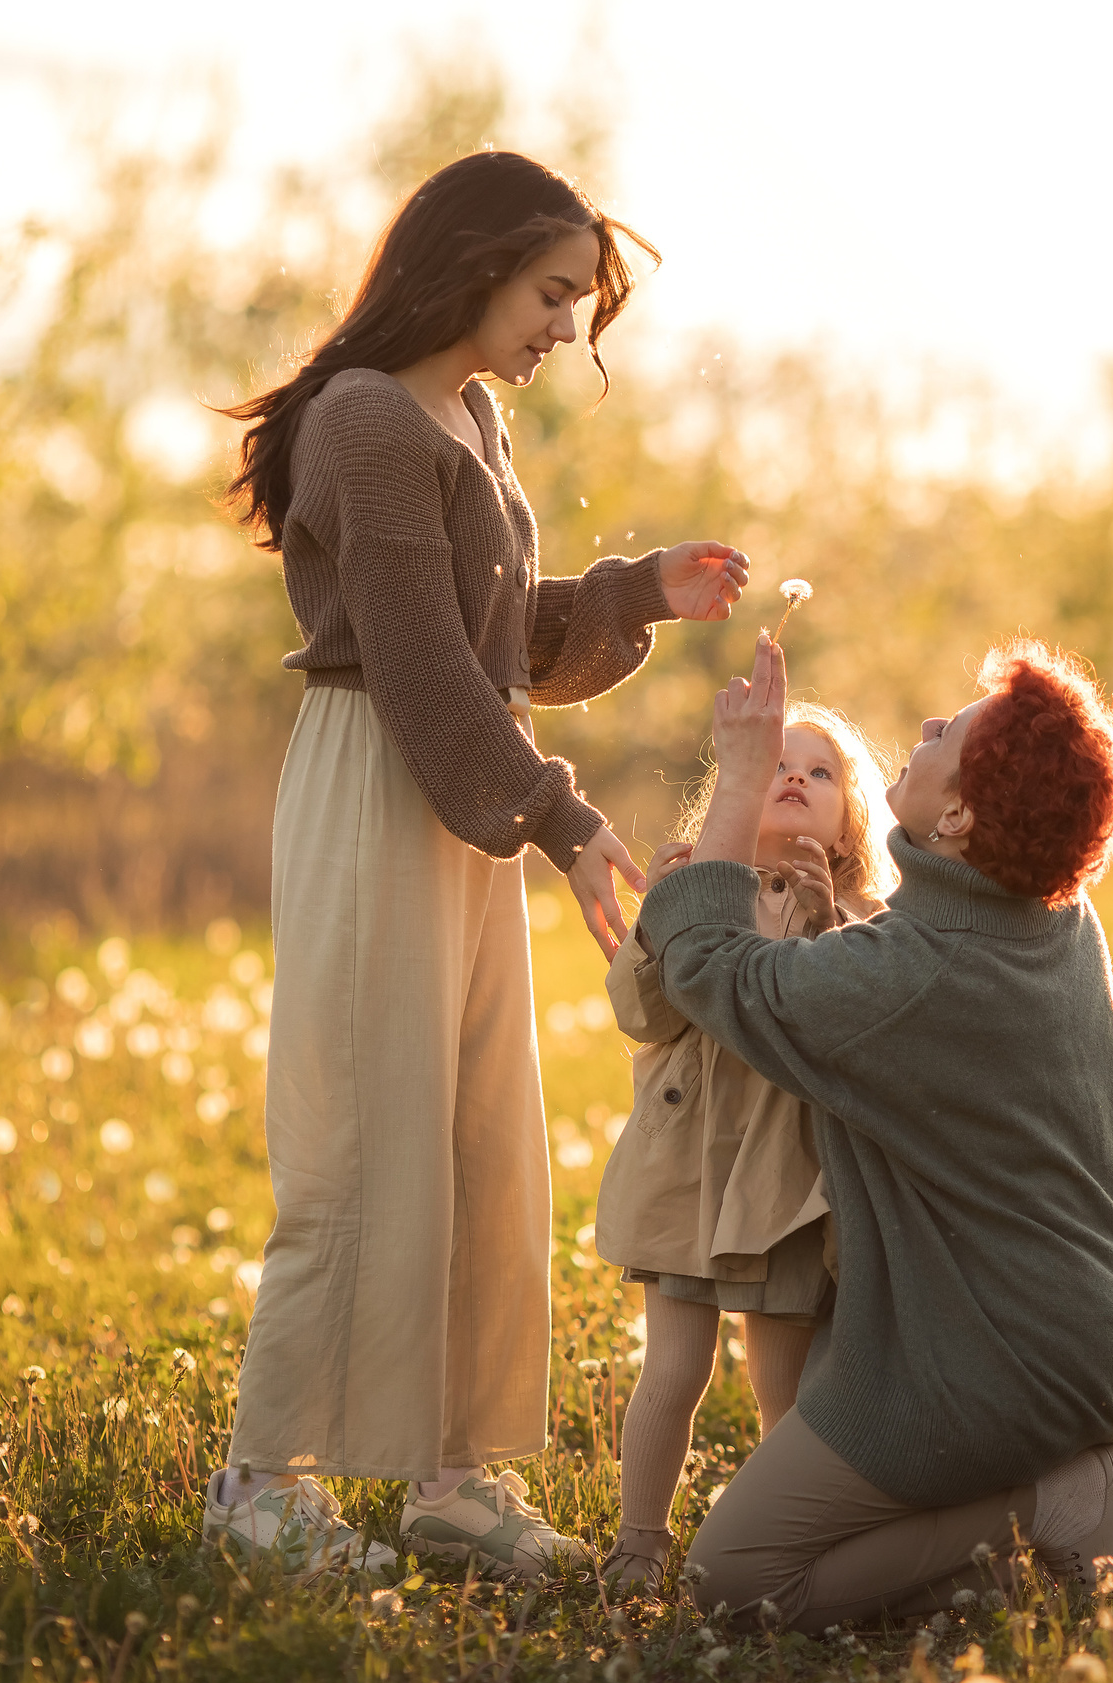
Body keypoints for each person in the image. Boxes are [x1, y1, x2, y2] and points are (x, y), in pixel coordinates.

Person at [201, 149, 750, 1582]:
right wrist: (560, 816)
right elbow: (422, 669)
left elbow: (501, 650)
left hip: (463, 791)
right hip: (387, 778)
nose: (567, 326)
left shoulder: (474, 419)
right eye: (553, 290)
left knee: (476, 1132)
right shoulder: (366, 422)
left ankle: (453, 1478)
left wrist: (639, 594)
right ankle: (262, 1481)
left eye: (579, 299)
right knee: (362, 1135)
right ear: (472, 263)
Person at [628, 632, 1113, 1633]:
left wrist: (741, 781)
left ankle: (1055, 1506)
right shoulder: (1052, 906)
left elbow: (712, 968)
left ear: (959, 815)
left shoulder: (912, 975)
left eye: (946, 732)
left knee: (739, 1574)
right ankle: (1039, 1488)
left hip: (993, 1352)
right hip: (1098, 1316)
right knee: (822, 1523)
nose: (923, 727)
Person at [593, 703, 901, 1590]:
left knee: (785, 1384)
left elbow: (855, 1022)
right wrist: (662, 920)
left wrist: (823, 919)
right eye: (777, 762)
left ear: (853, 819)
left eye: (823, 769)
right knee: (674, 1369)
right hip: (685, 1170)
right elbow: (639, 1013)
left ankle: (788, 1534)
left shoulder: (862, 914)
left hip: (785, 1183)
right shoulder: (702, 885)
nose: (796, 776)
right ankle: (640, 1539)